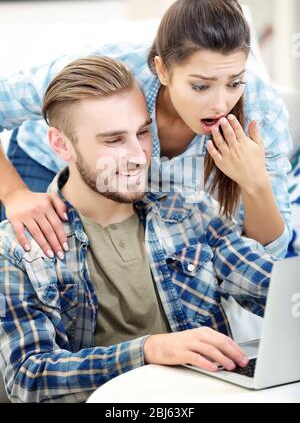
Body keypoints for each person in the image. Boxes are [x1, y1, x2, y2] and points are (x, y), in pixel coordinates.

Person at [0, 56, 274, 403]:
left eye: (143, 133)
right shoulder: (17, 248)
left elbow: (272, 287)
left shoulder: (189, 215)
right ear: (61, 144)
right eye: (113, 140)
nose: (139, 156)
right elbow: (29, 378)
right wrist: (148, 350)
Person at [0, 0, 291, 261]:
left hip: (130, 203)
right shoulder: (111, 70)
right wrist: (14, 193)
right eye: (200, 86)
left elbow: (267, 258)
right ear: (162, 70)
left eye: (234, 82)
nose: (220, 104)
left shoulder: (260, 112)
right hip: (43, 168)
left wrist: (256, 183)